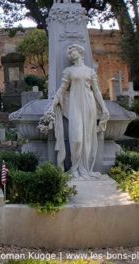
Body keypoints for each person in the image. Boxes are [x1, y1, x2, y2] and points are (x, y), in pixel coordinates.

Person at [47, 44, 109, 178]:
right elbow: (62, 90)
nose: (70, 55)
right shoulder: (68, 71)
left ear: (80, 52)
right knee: (76, 139)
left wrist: (103, 107)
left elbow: (96, 91)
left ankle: (85, 169)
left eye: (72, 51)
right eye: (69, 53)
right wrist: (52, 106)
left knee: (87, 139)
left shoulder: (90, 71)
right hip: (75, 105)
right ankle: (74, 169)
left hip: (89, 104)